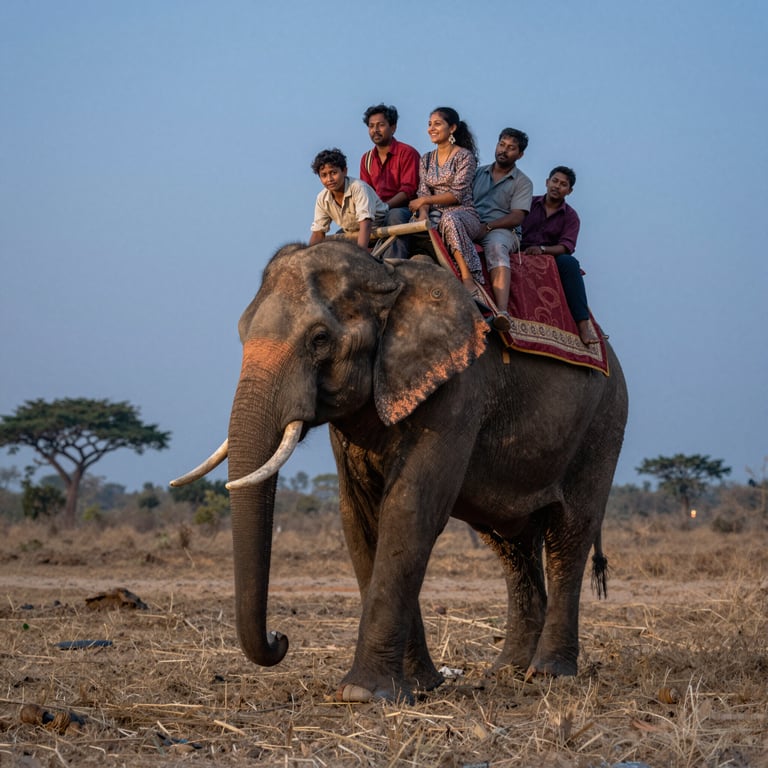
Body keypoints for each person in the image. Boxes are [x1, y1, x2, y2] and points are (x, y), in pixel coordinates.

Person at [520, 166, 600, 345]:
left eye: (563, 184)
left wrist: (542, 250)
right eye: (555, 181)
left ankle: (583, 327)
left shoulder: (571, 216)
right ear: (547, 182)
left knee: (570, 263)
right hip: (518, 250)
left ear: (569, 191)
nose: (557, 186)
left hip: (550, 256)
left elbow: (566, 246)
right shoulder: (528, 204)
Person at [409, 107, 484, 292]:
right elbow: (423, 191)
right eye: (429, 124)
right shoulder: (426, 159)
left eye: (437, 124)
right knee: (414, 225)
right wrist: (423, 214)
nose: (431, 128)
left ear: (452, 128)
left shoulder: (465, 157)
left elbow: (456, 194)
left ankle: (467, 277)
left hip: (463, 213)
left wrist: (424, 203)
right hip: (434, 212)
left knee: (449, 220)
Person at [473, 128, 533, 331]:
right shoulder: (477, 173)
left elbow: (517, 217)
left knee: (497, 247)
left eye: (511, 148)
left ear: (520, 154)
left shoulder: (522, 182)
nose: (504, 151)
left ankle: (501, 311)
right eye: (502, 145)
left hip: (504, 230)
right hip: (474, 223)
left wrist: (488, 227)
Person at [360, 104, 420, 258]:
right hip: (377, 212)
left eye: (380, 125)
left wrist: (385, 207)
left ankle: (392, 267)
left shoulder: (407, 153)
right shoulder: (366, 159)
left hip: (404, 209)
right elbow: (365, 192)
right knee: (342, 234)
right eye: (371, 126)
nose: (375, 130)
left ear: (393, 128)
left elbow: (409, 190)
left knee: (394, 217)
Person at [309, 148, 388, 251]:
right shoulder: (322, 198)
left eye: (333, 173)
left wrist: (360, 256)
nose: (329, 179)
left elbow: (366, 223)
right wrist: (307, 257)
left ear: (344, 171)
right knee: (335, 243)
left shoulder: (358, 188)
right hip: (353, 232)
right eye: (324, 175)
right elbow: (318, 232)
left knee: (397, 220)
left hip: (379, 225)